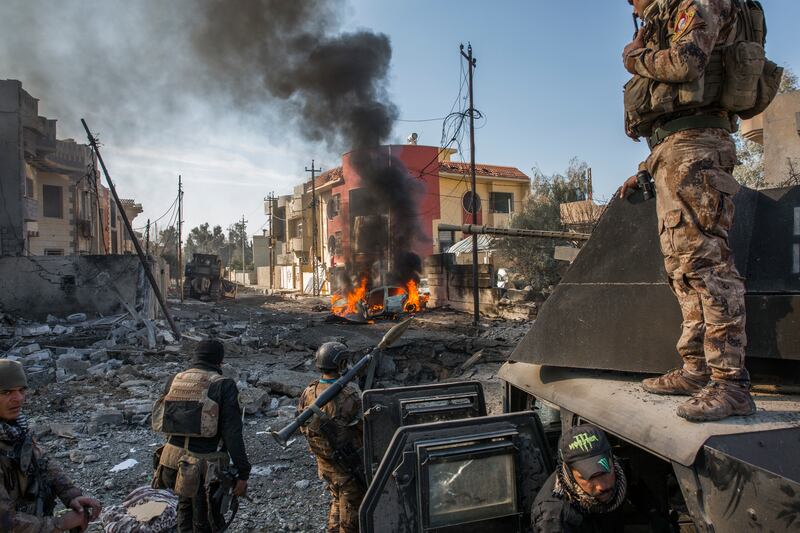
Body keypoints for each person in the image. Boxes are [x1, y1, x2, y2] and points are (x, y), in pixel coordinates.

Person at [619, 0, 759, 422]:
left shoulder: (698, 2)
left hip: (696, 147)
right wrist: (647, 167)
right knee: (681, 268)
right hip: (675, 149)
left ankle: (731, 385)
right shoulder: (666, 13)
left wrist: (634, 57)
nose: (631, 3)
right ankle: (697, 370)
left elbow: (687, 63)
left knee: (707, 266)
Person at [151, 340, 250, 532]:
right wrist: (243, 472)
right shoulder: (223, 385)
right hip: (205, 468)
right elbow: (232, 434)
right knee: (209, 521)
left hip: (171, 463)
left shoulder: (175, 379)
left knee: (184, 508)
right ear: (219, 362)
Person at [0, 360, 102, 532]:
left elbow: (43, 462)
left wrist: (71, 495)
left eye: (22, 390)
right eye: (6, 392)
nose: (18, 398)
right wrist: (60, 523)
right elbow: (4, 523)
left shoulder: (15, 429)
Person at [297, 342, 365, 533]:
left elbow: (302, 424)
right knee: (351, 512)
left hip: (324, 463)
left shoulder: (309, 392)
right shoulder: (348, 396)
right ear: (341, 364)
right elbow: (363, 429)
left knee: (337, 499)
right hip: (346, 466)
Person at [531, 425, 626, 533]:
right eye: (589, 477)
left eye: (604, 473)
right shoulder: (555, 518)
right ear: (569, 473)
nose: (602, 486)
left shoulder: (618, 471)